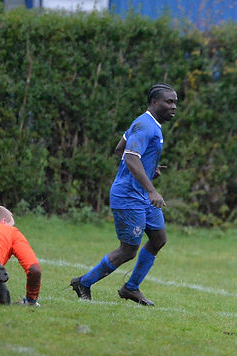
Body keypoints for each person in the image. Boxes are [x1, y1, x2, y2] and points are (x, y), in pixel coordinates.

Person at [70, 82, 178, 306]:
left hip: (140, 195)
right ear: (155, 102)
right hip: (129, 196)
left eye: (175, 102)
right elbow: (130, 157)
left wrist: (149, 170)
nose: (174, 106)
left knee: (158, 239)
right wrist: (151, 189)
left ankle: (131, 288)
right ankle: (84, 282)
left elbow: (121, 149)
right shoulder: (145, 125)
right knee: (128, 250)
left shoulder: (150, 124)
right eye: (169, 102)